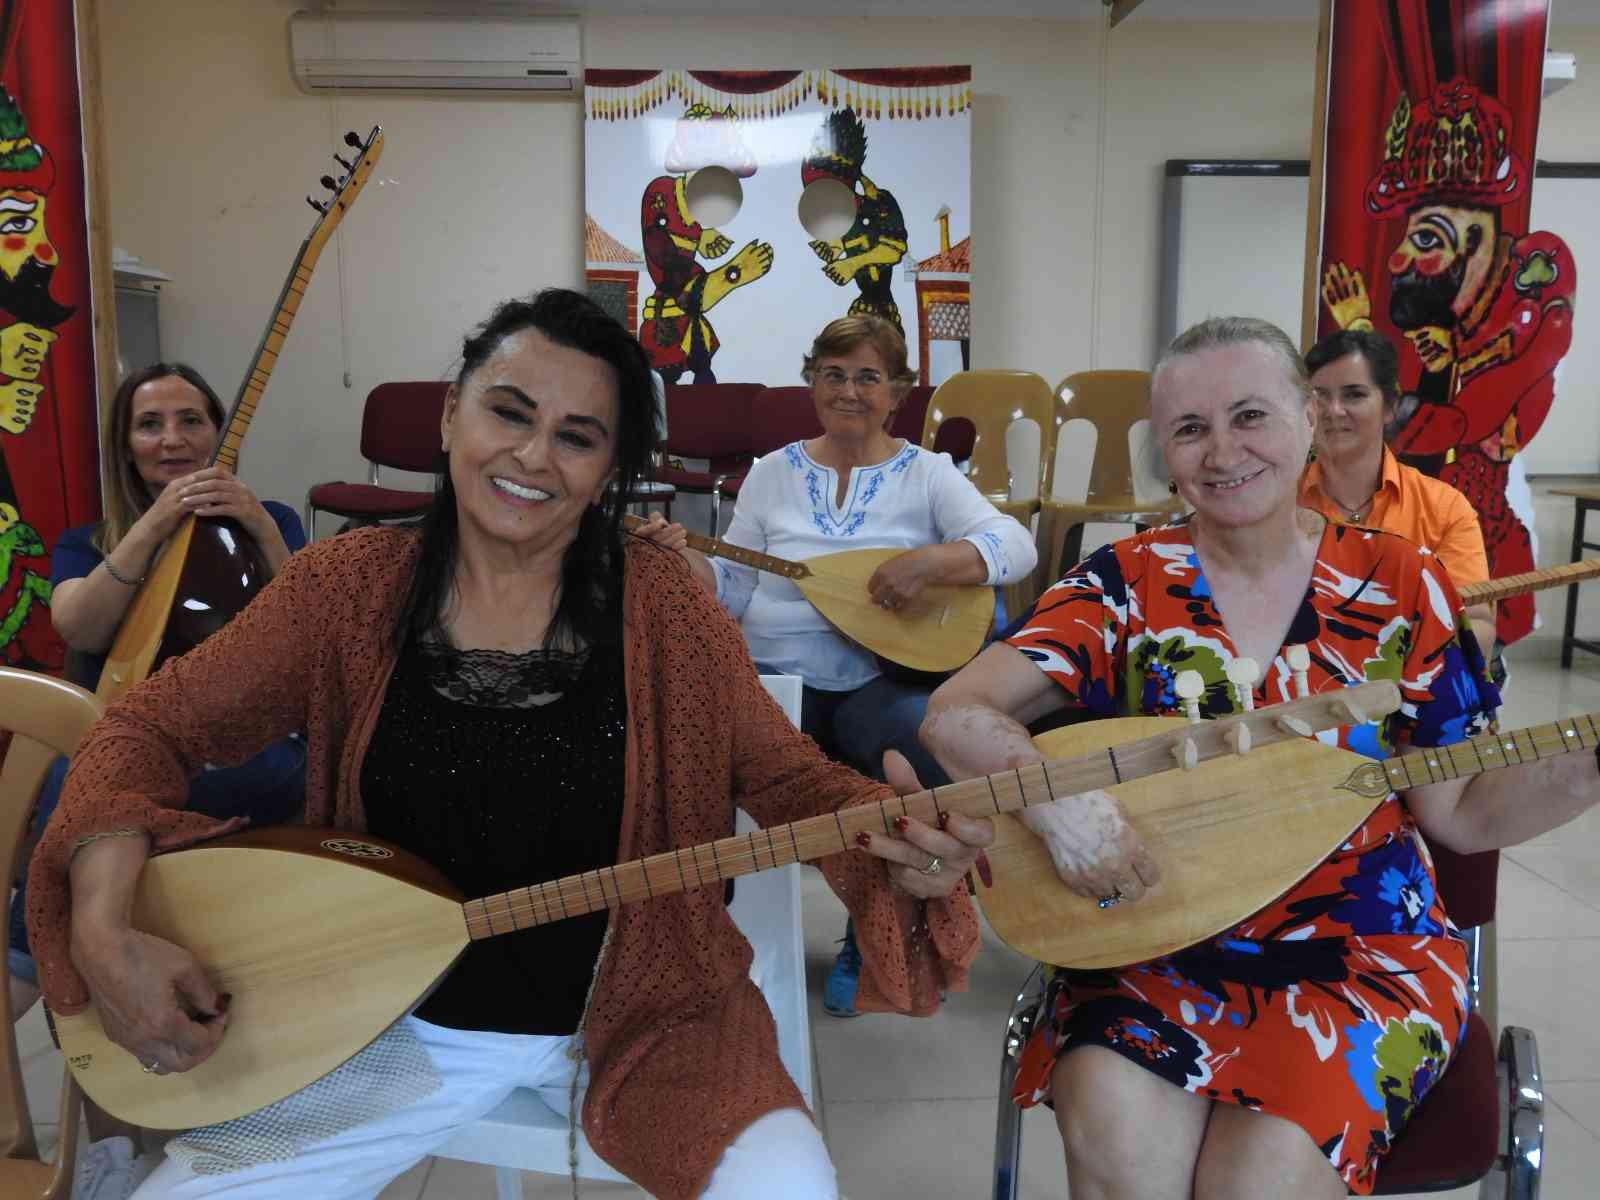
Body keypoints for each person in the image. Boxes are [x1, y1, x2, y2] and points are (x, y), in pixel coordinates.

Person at [26, 289, 992, 1200]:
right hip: (385, 1025)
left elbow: (786, 777)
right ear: (452, 414)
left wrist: (893, 835)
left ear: (611, 469)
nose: (532, 457)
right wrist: (104, 929)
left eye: (577, 437)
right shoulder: (346, 587)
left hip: (657, 1018)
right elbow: (145, 727)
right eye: (509, 413)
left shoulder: (663, 607)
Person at [919, 316, 1600, 1198]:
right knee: (1124, 1162)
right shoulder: (1122, 582)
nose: (1222, 451)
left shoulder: (1402, 584)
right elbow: (953, 714)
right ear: (1165, 450)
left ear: (1309, 420)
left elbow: (1461, 812)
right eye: (1190, 429)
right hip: (1152, 936)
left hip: (1360, 952)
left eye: (1251, 416)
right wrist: (1050, 798)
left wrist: (1587, 767)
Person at [642, 313, 1034, 1015]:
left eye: (867, 377)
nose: (849, 391)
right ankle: (711, 939)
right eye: (833, 375)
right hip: (767, 681)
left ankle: (876, 928)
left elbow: (1014, 546)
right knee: (682, 758)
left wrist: (931, 561)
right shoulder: (770, 474)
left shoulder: (926, 474)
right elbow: (733, 585)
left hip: (874, 681)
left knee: (923, 743)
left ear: (898, 390)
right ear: (812, 382)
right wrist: (687, 563)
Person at [7, 363, 306, 1020]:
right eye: (150, 424)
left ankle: (65, 960)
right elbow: (77, 622)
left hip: (243, 752)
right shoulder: (88, 542)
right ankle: (49, 976)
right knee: (82, 783)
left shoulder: (274, 520)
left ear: (218, 434)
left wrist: (257, 523)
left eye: (190, 420)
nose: (172, 439)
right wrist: (155, 524)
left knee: (91, 798)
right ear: (126, 444)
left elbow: (312, 624)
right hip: (116, 754)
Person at [1300, 328, 1496, 653]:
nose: (1333, 410)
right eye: (1319, 396)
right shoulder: (1275, 502)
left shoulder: (1444, 508)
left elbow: (1478, 623)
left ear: (1390, 406)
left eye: (1354, 395)